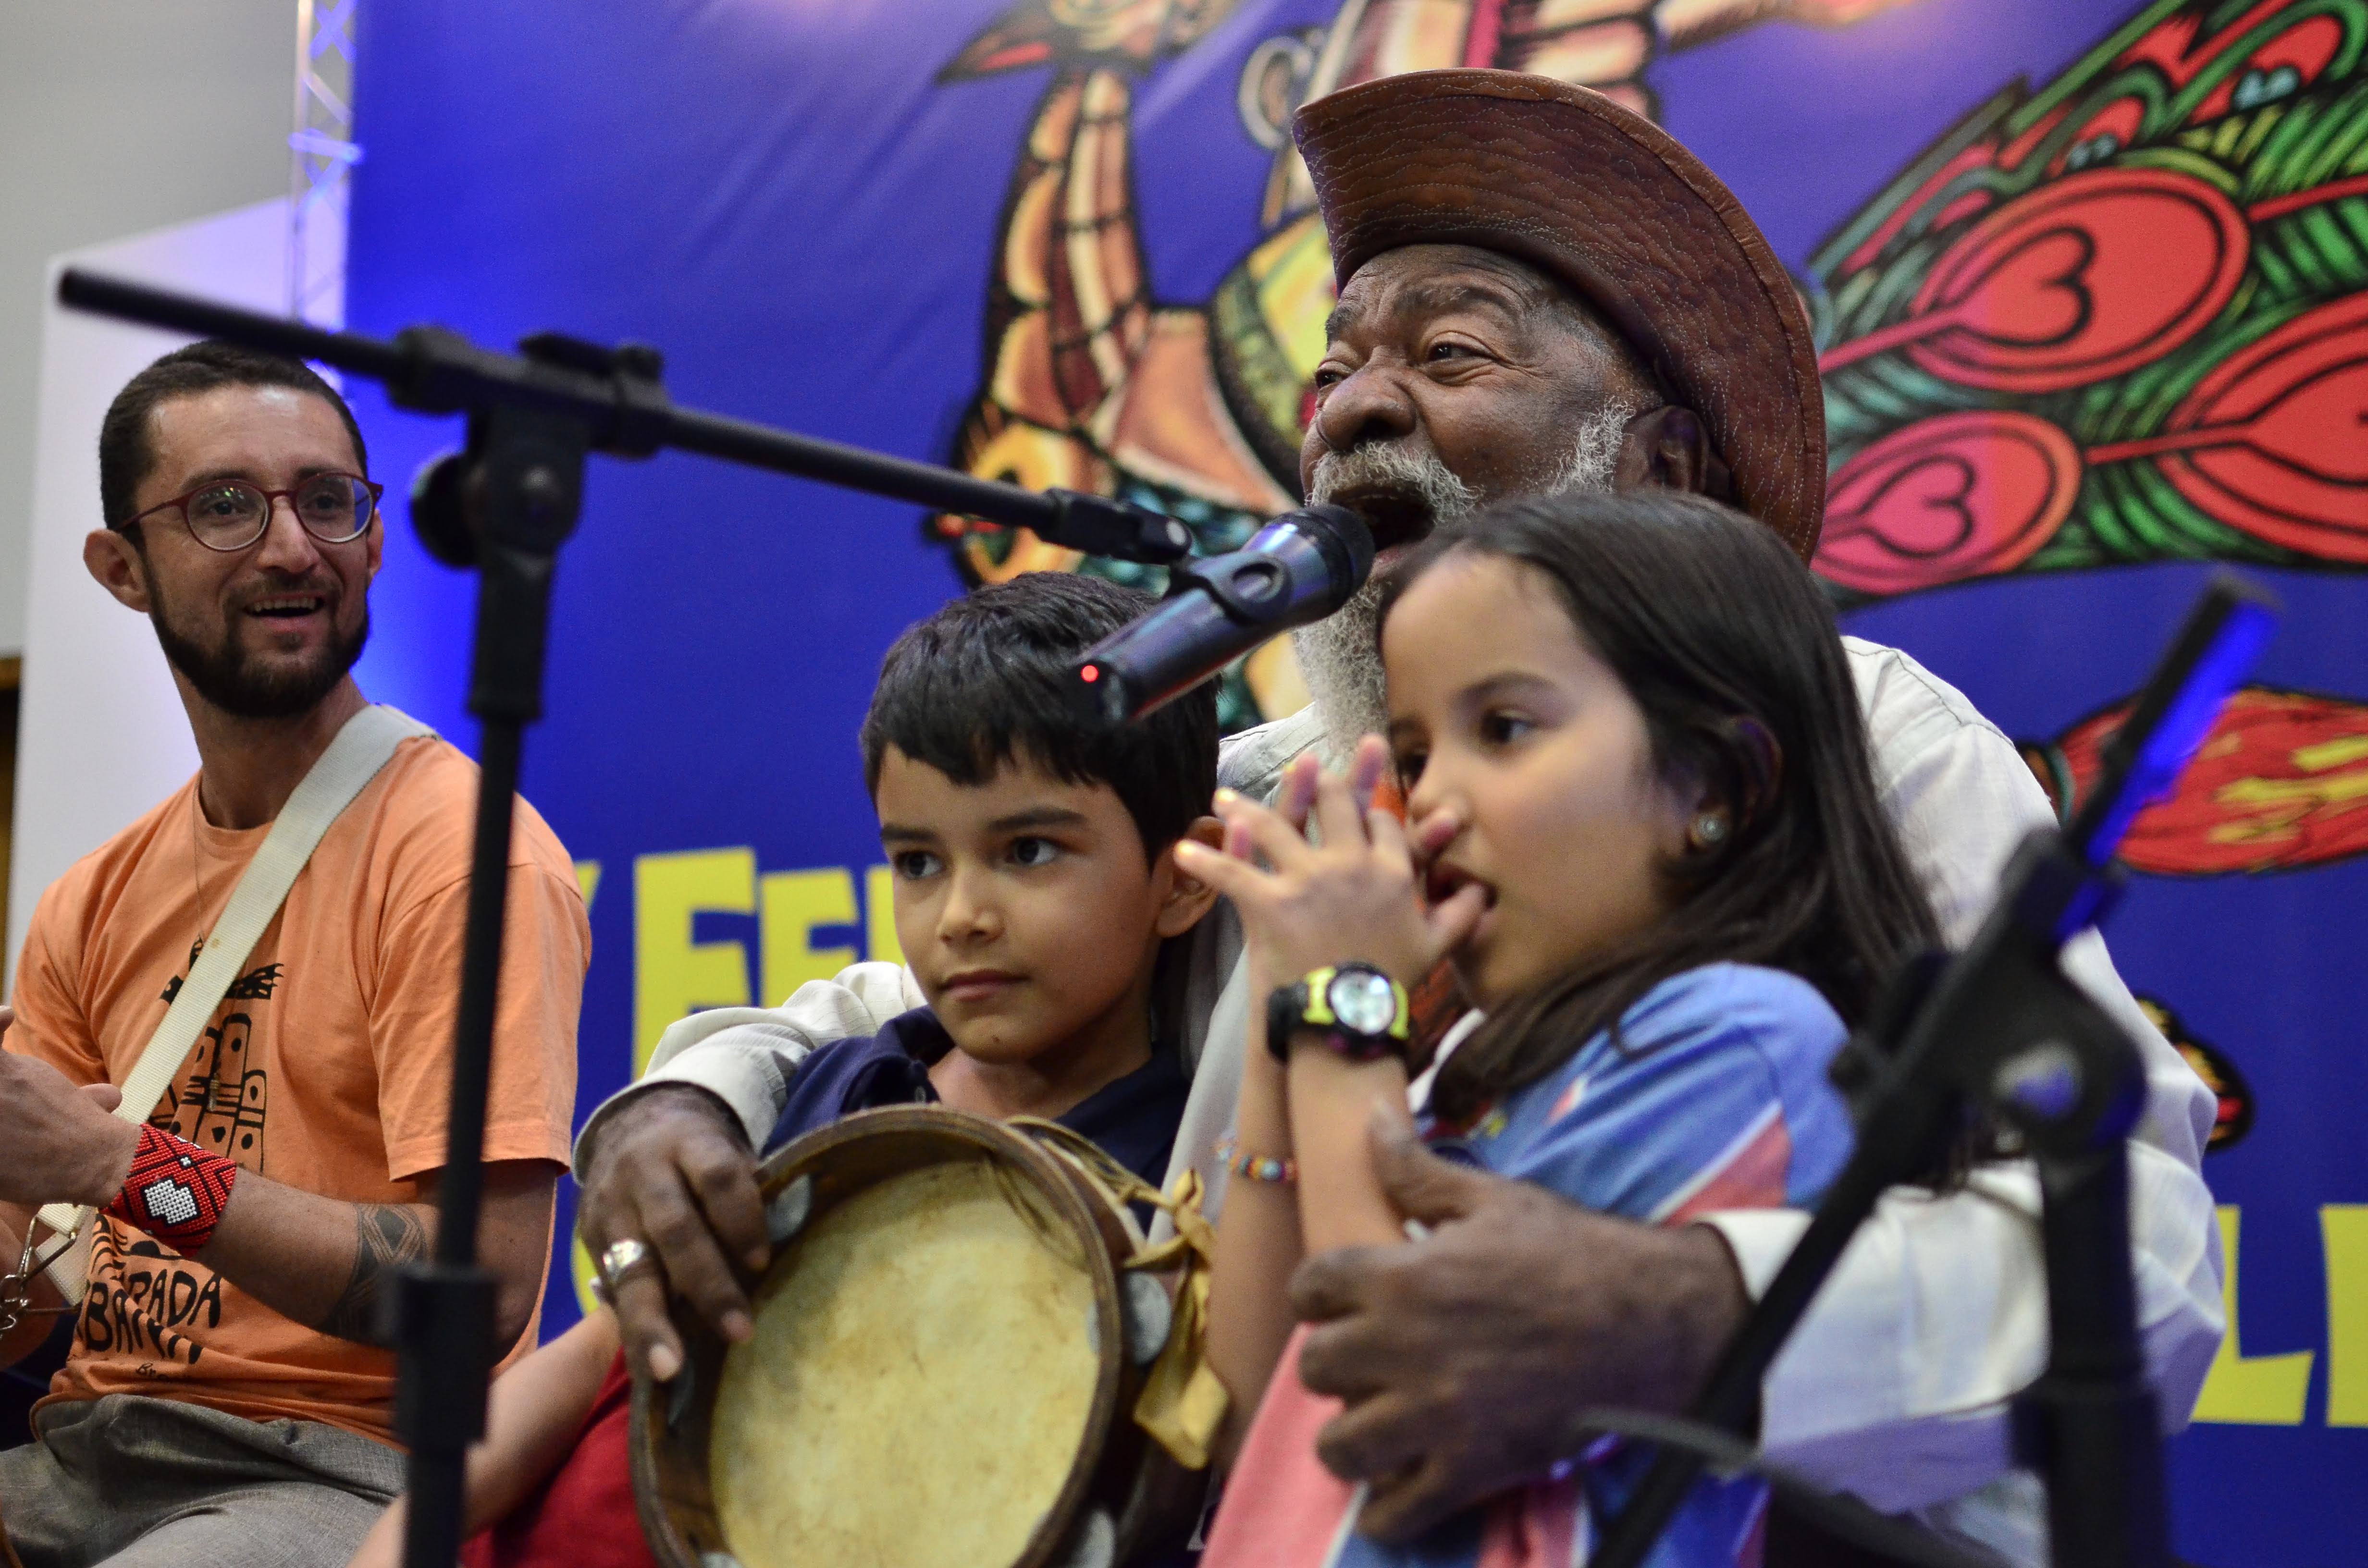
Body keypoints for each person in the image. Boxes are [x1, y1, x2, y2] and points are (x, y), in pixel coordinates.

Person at [570, 70, 2221, 1564]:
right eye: (1335, 369)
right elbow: (914, 1000)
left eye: (1449, 357)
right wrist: (683, 1103)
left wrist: (1688, 1308)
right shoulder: (1284, 792)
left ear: (1660, 470)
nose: (1353, 411)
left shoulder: (1859, 737)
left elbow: (2135, 1259)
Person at [344, 571, 1223, 1568]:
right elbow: (597, 1354)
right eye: (919, 862)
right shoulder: (829, 1087)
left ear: (1184, 879)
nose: (961, 915)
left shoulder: (1169, 1183)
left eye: (1027, 851)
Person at [1192, 491, 1938, 1565]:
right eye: (1414, 755)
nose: (1431, 804)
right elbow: (1255, 1401)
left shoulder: (1737, 1036)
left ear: (1716, 785)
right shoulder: (1469, 1064)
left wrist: (1344, 1005)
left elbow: (1395, 1399)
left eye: (1503, 730)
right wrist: (1286, 1001)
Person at [0, 342, 588, 1568]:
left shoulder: (461, 857)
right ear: (122, 568)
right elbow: (26, 1286)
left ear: (374, 545)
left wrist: (126, 1166)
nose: (289, 547)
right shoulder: (90, 900)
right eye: (225, 506)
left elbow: (478, 1293)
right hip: (82, 1454)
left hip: (343, 1473)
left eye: (327, 501)